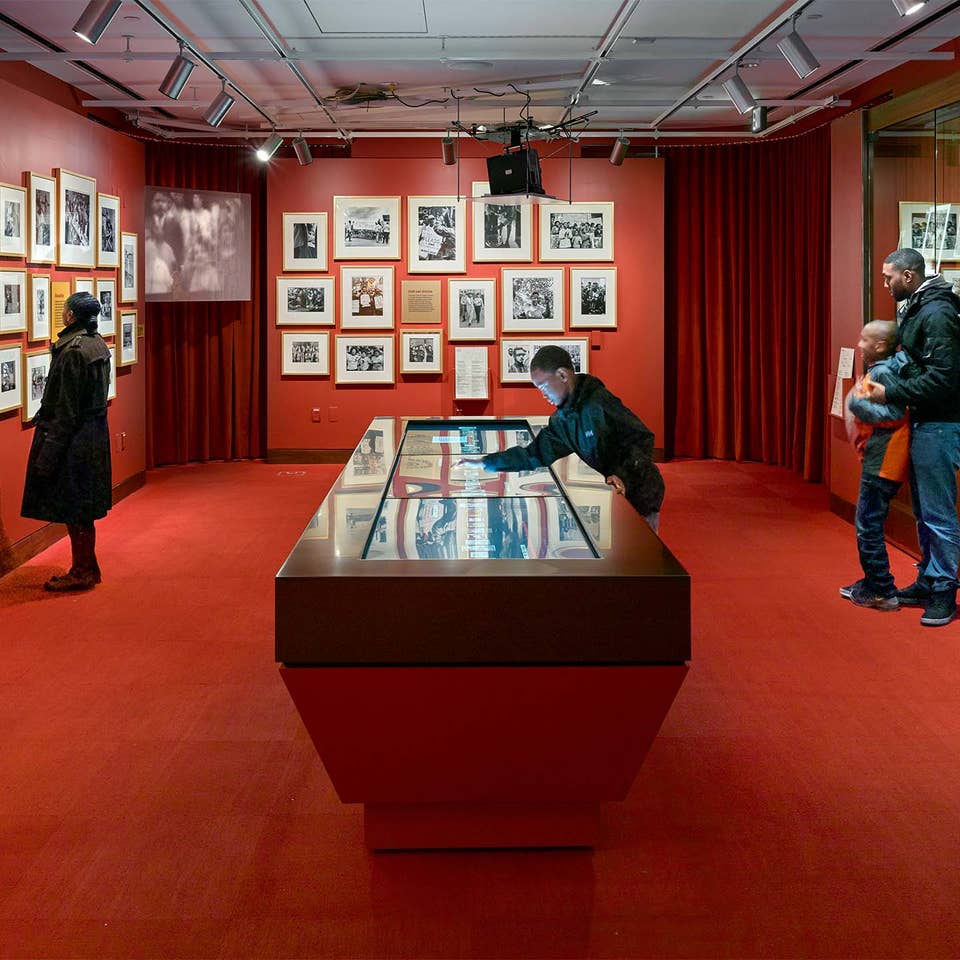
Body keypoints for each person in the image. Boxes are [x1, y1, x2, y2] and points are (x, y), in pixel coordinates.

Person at [862, 248, 960, 626]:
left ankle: (944, 592)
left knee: (937, 514)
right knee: (925, 513)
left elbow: (942, 379)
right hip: (925, 422)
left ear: (909, 276)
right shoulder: (920, 307)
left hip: (940, 423)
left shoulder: (936, 313)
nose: (884, 284)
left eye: (888, 277)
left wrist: (891, 392)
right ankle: (930, 580)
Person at [467, 345, 665, 531]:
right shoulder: (562, 420)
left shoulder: (598, 402)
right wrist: (487, 462)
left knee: (640, 555)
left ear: (562, 375)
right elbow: (534, 454)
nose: (543, 395)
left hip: (640, 491)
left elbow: (641, 437)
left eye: (544, 387)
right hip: (614, 494)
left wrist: (622, 475)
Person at [21, 292, 112, 591]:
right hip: (93, 435)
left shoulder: (73, 351)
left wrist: (47, 457)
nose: (62, 315)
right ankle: (88, 567)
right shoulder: (96, 344)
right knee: (82, 507)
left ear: (71, 316)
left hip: (75, 441)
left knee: (77, 508)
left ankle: (83, 570)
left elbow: (66, 411)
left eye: (64, 311)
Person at [840, 320, 910, 611]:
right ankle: (873, 583)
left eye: (864, 340)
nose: (859, 345)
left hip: (883, 462)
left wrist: (856, 403)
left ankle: (882, 590)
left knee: (868, 526)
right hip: (879, 458)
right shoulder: (885, 367)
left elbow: (893, 414)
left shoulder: (884, 371)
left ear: (880, 346)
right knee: (868, 524)